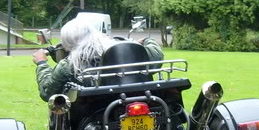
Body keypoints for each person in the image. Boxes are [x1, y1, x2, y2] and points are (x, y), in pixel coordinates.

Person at [32, 18, 163, 101]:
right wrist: (145, 40)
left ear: (67, 42)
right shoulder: (121, 51)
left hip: (95, 114)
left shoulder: (69, 65)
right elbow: (156, 56)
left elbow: (47, 93)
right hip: (136, 99)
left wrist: (42, 63)